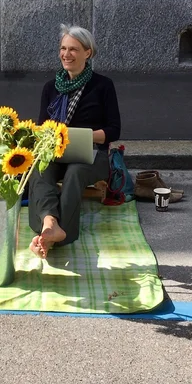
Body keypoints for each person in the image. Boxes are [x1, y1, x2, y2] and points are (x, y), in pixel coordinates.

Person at [28, 25, 121, 259]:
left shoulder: (103, 85)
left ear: (88, 53)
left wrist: (82, 136)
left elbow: (114, 130)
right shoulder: (51, 87)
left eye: (73, 49)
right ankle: (49, 223)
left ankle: (59, 235)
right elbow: (42, 125)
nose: (66, 54)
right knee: (39, 170)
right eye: (63, 48)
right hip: (56, 152)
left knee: (75, 172)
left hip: (92, 153)